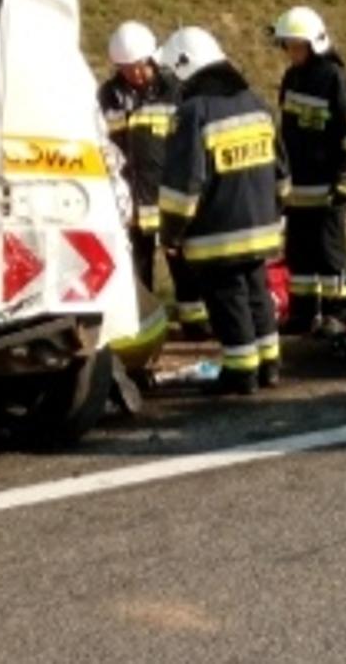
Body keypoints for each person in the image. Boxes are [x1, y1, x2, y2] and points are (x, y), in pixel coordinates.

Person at [158, 28, 285, 394]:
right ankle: (269, 365)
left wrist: (171, 233)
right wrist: (275, 209)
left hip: (217, 235)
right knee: (257, 293)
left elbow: (184, 185)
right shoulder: (257, 104)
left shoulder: (193, 112)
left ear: (184, 67)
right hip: (262, 226)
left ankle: (241, 372)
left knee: (228, 301)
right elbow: (282, 171)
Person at [96, 22, 207, 339]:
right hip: (129, 201)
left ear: (152, 59)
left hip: (169, 196)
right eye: (126, 68)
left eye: (140, 66)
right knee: (137, 270)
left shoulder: (174, 90)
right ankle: (141, 330)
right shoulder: (109, 96)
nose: (135, 74)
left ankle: (195, 325)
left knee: (184, 264)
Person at [269, 6, 346, 335]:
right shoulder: (292, 78)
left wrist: (344, 178)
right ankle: (302, 313)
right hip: (298, 186)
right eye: (288, 46)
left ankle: (337, 314)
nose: (291, 52)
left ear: (314, 44)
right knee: (299, 254)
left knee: (329, 254)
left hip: (328, 186)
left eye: (296, 46)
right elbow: (286, 132)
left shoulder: (334, 78)